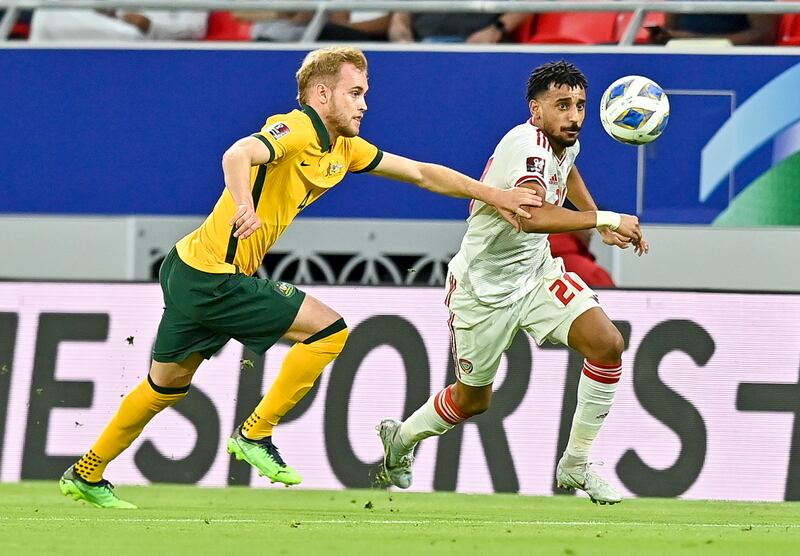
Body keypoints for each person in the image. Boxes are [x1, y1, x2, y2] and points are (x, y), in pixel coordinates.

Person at [58, 46, 541, 509]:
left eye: (365, 93)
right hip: (214, 277)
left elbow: (419, 173)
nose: (364, 103)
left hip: (189, 269)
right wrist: (244, 203)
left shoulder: (345, 148)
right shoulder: (294, 128)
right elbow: (236, 155)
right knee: (329, 330)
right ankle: (256, 433)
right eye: (355, 93)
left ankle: (86, 471)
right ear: (322, 95)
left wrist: (495, 197)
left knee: (164, 387)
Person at [377, 60, 649, 505]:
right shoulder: (527, 147)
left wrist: (595, 222)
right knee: (473, 401)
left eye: (580, 105)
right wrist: (607, 217)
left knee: (607, 343)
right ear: (535, 109)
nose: (574, 116)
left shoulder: (562, 142)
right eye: (562, 105)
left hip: (537, 275)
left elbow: (569, 171)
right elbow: (532, 215)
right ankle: (401, 439)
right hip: (482, 292)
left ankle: (576, 463)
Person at [30, 7, 207, 41]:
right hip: (108, 27)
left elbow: (195, 28)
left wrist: (149, 25)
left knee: (47, 14)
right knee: (46, 13)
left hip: (141, 38)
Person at [388, 10, 528, 43]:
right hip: (419, 45)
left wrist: (496, 30)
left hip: (481, 45)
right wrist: (399, 24)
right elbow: (401, 12)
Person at [647, 11, 779, 45]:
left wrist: (697, 41)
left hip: (732, 60)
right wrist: (663, 36)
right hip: (682, 57)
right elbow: (670, 29)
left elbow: (764, 35)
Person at [548, 230, 615, 287]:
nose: (592, 231)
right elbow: (612, 301)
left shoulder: (540, 263)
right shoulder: (593, 274)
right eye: (588, 221)